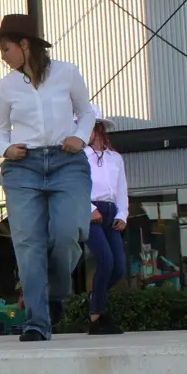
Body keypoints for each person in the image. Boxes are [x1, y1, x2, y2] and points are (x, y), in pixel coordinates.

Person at [0, 14, 94, 342]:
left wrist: (81, 136)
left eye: (6, 48)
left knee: (67, 234)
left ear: (24, 44)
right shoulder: (5, 87)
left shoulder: (67, 73)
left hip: (67, 162)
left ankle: (56, 292)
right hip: (23, 167)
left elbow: (87, 112)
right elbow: (1, 129)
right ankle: (36, 322)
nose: (2, 56)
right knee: (28, 244)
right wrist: (5, 149)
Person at [84, 104, 126, 335]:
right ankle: (96, 315)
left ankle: (95, 295)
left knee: (119, 268)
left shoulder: (115, 158)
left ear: (98, 128)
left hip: (111, 211)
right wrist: (89, 208)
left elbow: (121, 189)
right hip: (90, 211)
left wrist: (122, 214)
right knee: (105, 260)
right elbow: (75, 187)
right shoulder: (80, 156)